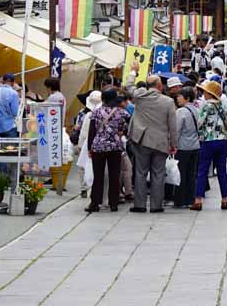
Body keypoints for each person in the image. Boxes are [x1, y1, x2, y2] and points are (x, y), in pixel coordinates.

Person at [126, 75, 178, 213]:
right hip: (160, 142)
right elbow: (173, 125)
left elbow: (129, 86)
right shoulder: (168, 102)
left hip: (142, 140)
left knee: (140, 172)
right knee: (159, 173)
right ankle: (156, 205)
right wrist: (174, 143)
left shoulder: (140, 97)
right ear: (160, 86)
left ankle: (140, 204)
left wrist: (133, 72)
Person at [84, 88, 128, 213]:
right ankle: (113, 203)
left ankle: (95, 203)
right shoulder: (121, 112)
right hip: (115, 147)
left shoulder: (96, 112)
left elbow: (91, 131)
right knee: (115, 175)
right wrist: (121, 132)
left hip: (98, 147)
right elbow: (127, 126)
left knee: (98, 176)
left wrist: (89, 148)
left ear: (103, 98)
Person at [192, 80, 227, 211]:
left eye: (205, 91)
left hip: (208, 141)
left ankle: (198, 200)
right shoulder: (221, 105)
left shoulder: (206, 106)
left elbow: (200, 123)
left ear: (210, 93)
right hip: (222, 141)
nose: (203, 94)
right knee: (222, 171)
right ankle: (224, 199)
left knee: (202, 170)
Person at [172, 87, 201, 209]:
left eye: (180, 96)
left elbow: (176, 130)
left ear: (187, 98)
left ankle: (180, 199)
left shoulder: (181, 112)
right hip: (195, 145)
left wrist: (173, 145)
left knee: (181, 174)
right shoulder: (197, 110)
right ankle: (190, 198)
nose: (177, 98)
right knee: (191, 174)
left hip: (183, 146)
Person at [0, 74, 21, 176]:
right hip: (9, 125)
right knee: (8, 151)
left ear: (3, 81)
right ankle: (4, 175)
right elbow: (15, 112)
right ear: (12, 82)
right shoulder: (13, 93)